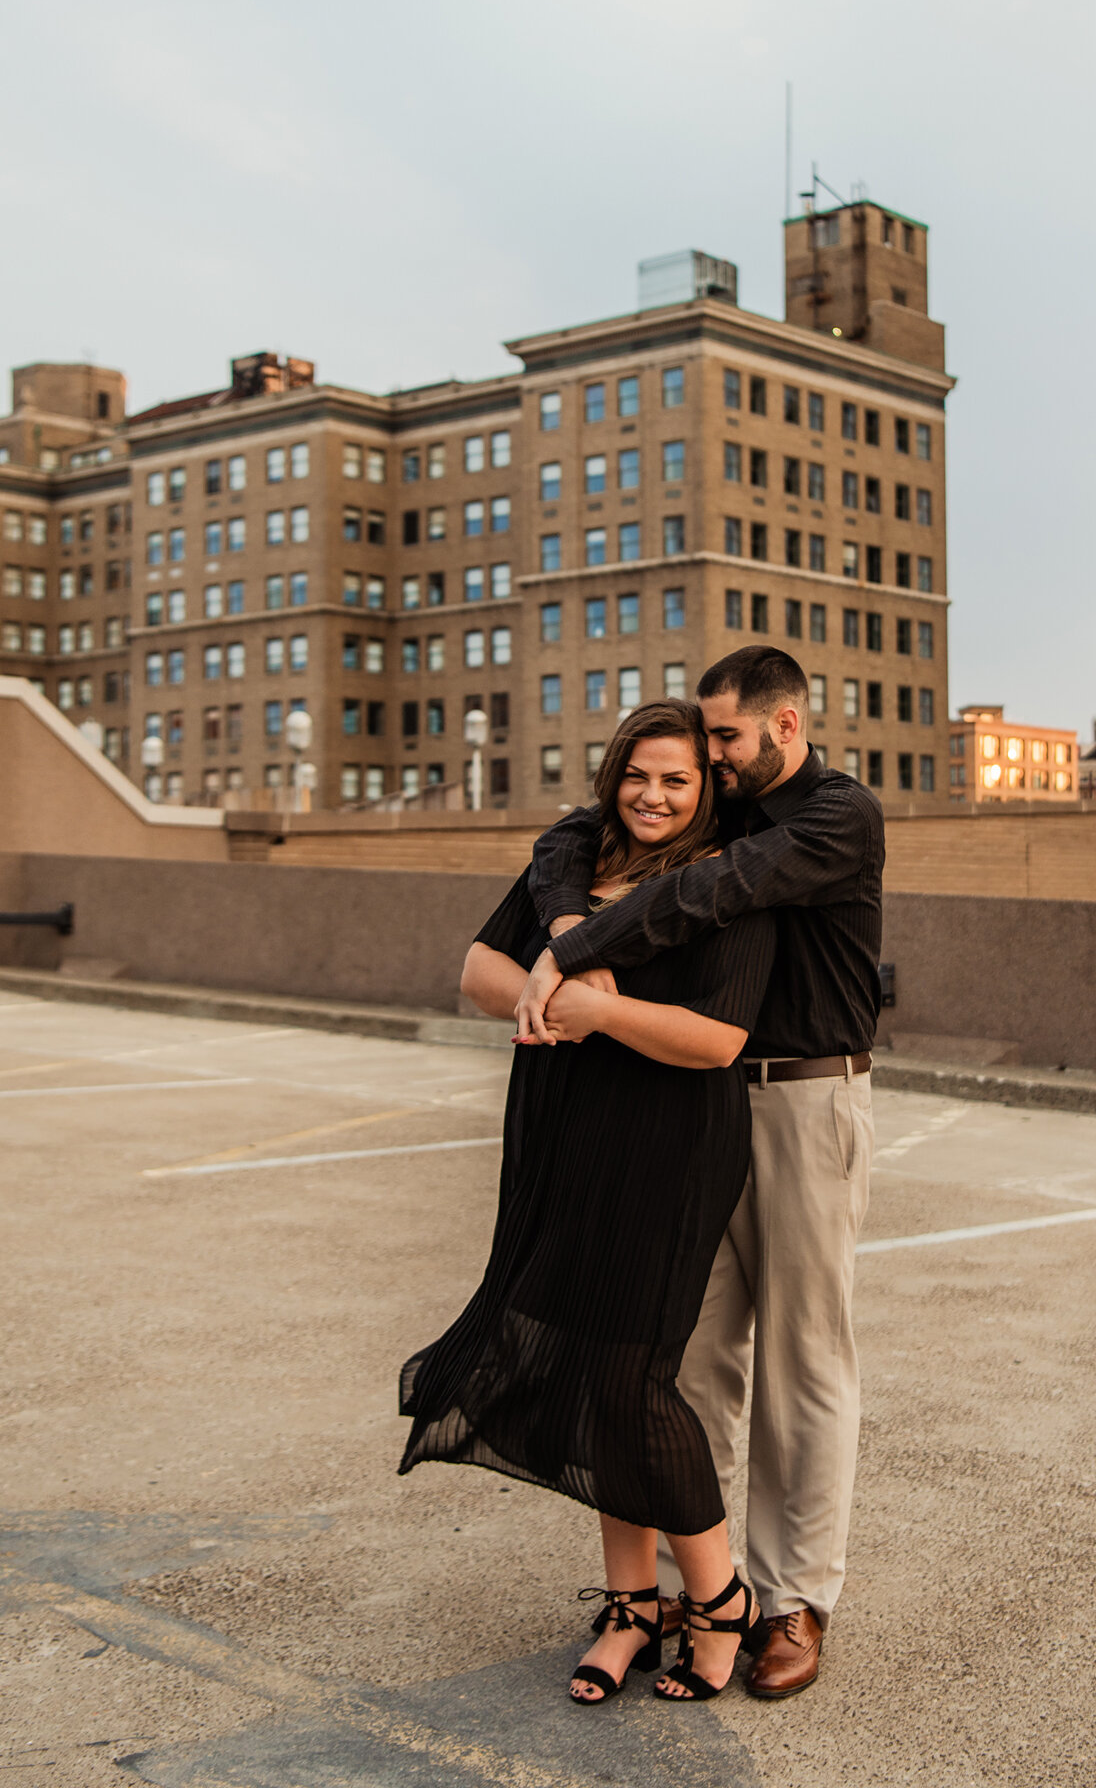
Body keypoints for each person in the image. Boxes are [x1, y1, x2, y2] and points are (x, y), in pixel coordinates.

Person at [516, 644, 884, 1700]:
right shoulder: (721, 804)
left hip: (806, 1096)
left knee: (803, 1360)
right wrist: (562, 923)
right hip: (695, 1102)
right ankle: (693, 1580)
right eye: (704, 739)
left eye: (724, 738)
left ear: (785, 723)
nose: (709, 757)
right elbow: (567, 837)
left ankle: (793, 1598)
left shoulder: (833, 816)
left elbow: (710, 893)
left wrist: (575, 958)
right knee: (680, 1358)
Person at [398, 699, 776, 1706]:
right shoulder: (572, 865)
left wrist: (593, 1002)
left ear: (706, 790)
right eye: (637, 775)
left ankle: (717, 1595)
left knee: (632, 1380)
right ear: (614, 776)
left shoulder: (724, 886)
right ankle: (629, 1602)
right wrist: (548, 966)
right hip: (561, 1141)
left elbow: (717, 1040)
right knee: (570, 1364)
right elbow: (477, 970)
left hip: (667, 1153)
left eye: (677, 779)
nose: (652, 795)